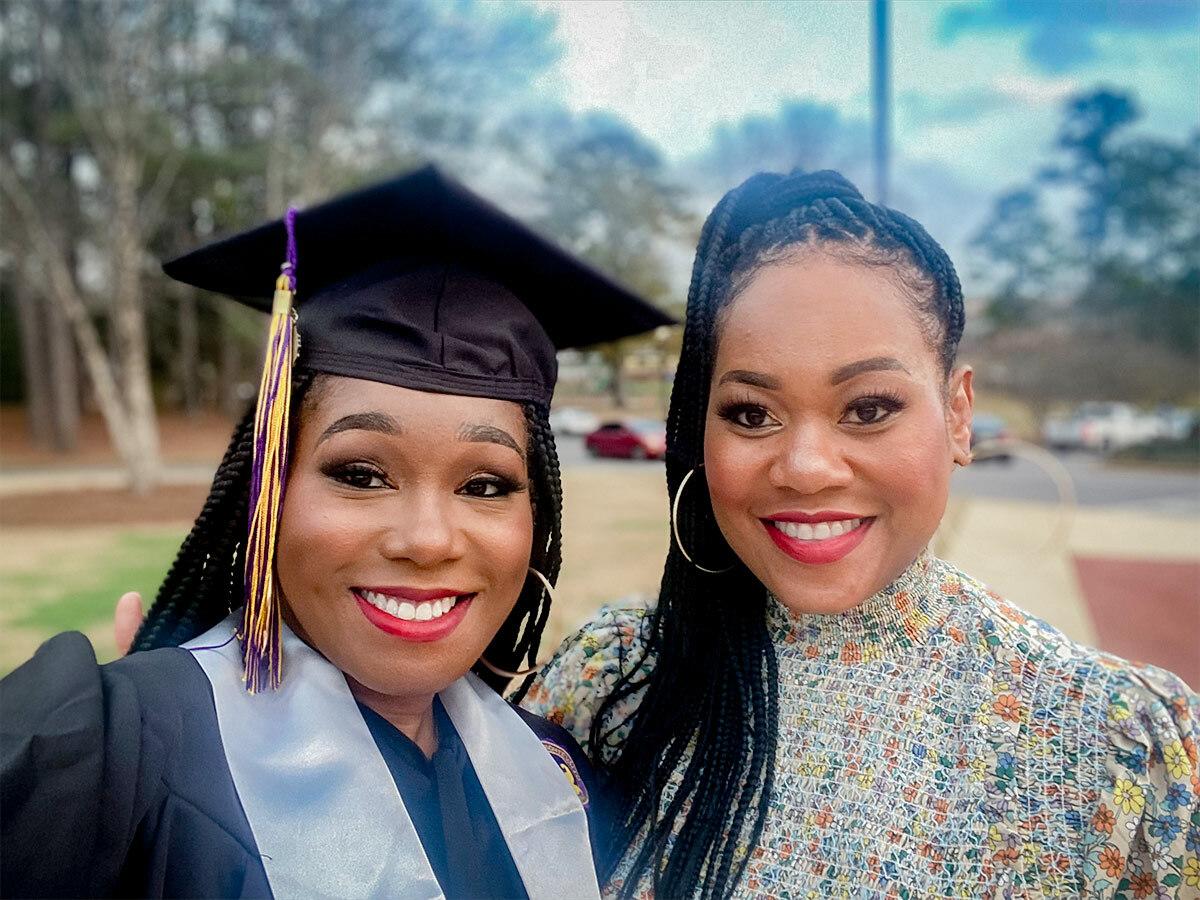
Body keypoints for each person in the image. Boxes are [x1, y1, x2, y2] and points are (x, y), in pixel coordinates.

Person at [521, 170, 1200, 897]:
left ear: (959, 417)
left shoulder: (1104, 742)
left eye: (869, 407)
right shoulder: (613, 682)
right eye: (751, 413)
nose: (807, 469)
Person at [0, 166, 671, 899]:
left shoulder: (557, 775)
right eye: (359, 473)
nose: (427, 539)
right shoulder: (97, 754)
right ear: (266, 493)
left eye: (485, 485)